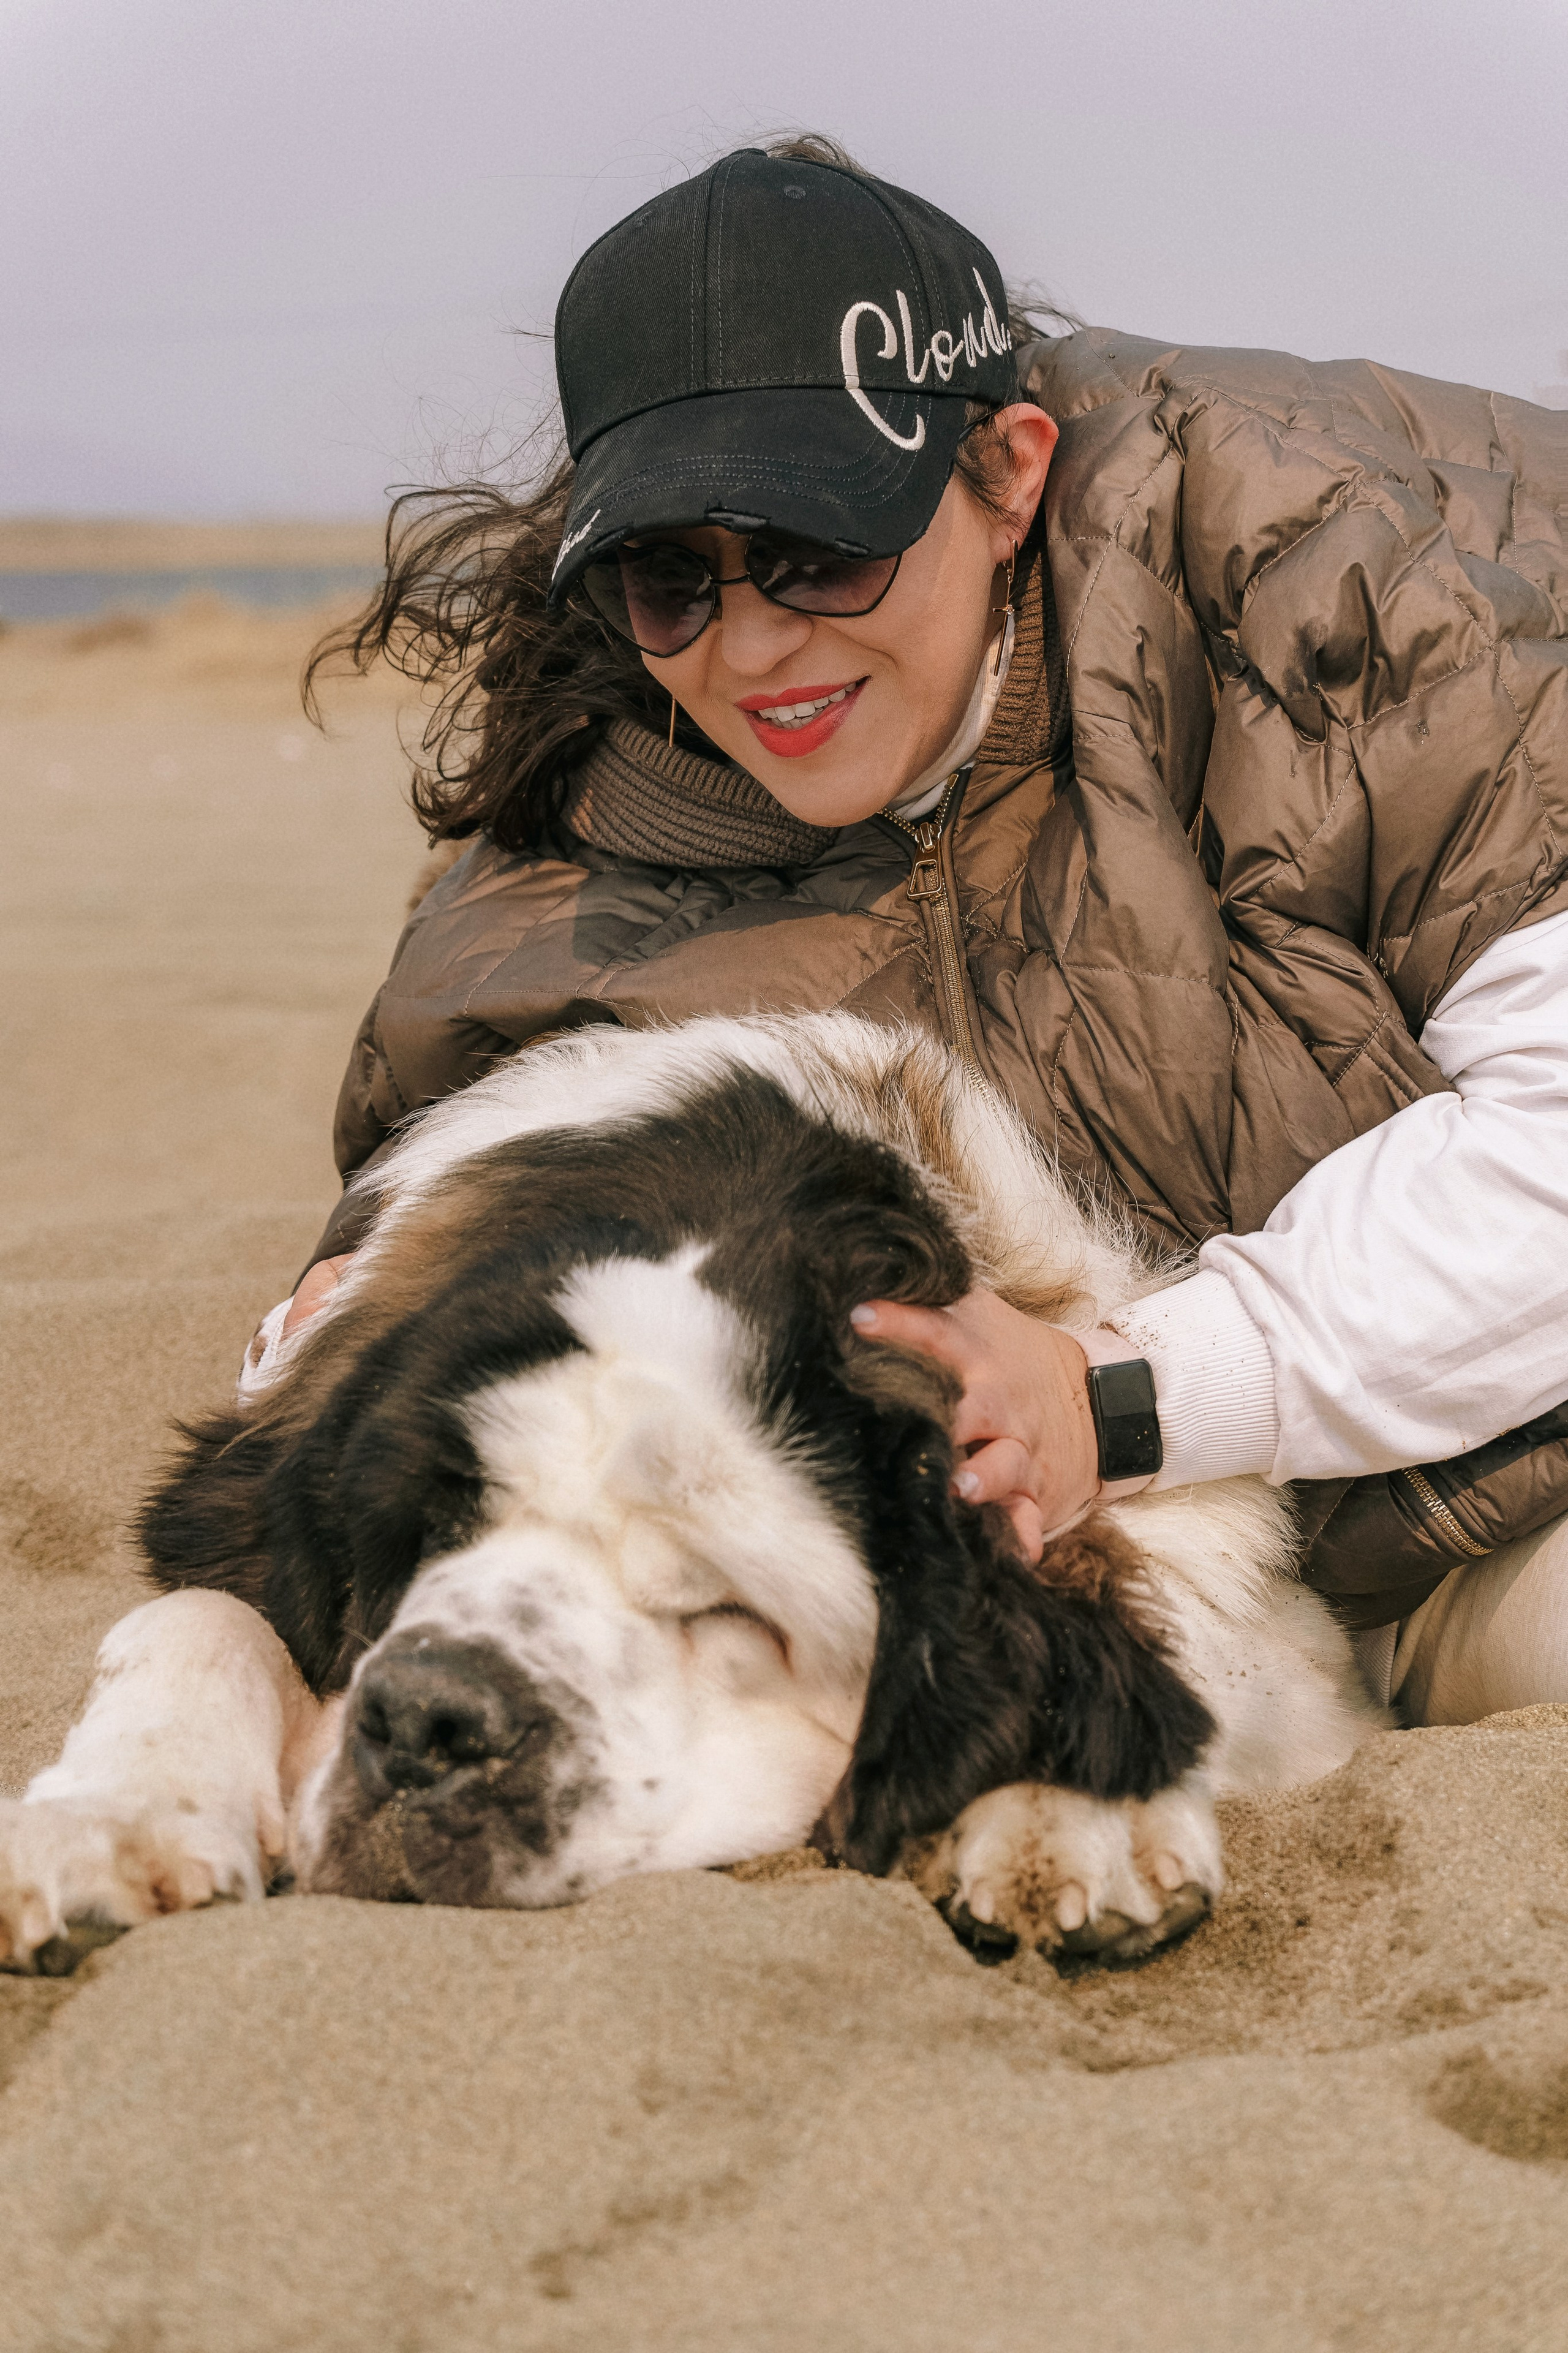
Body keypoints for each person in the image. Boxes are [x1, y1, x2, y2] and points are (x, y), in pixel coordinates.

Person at [262, 134, 1568, 1727]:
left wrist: (1120, 1393)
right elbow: (482, 1154)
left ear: (1011, 467)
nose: (753, 649)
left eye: (820, 550)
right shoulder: (598, 806)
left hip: (1500, 1493)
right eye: (674, 579)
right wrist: (358, 1311)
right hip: (1115, 1604)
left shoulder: (1347, 580)